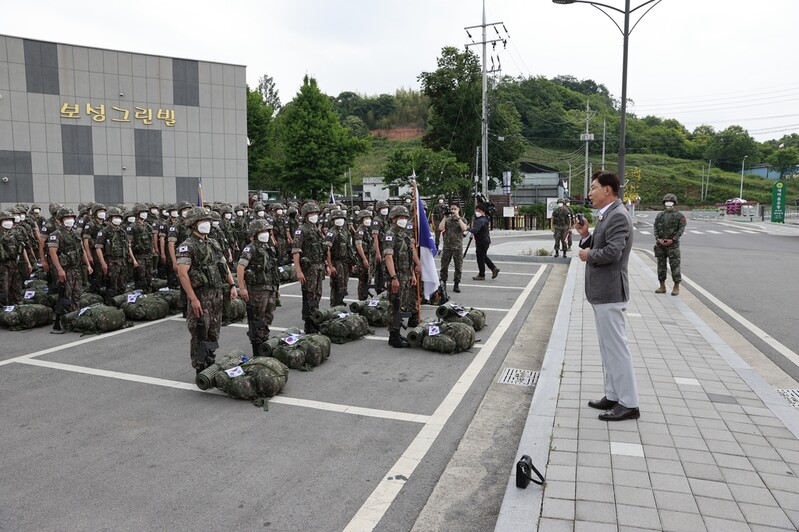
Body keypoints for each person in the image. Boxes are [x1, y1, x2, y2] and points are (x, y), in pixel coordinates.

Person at [574, 170, 639, 422]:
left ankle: (629, 403)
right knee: (607, 348)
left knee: (617, 349)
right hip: (602, 293)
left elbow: (613, 252)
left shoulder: (618, 216)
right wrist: (586, 237)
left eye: (593, 188)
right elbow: (602, 245)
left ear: (607, 191)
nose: (590, 192)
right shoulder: (608, 215)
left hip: (611, 292)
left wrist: (589, 254)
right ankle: (613, 395)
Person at [176, 207, 238, 373]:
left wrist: (232, 285)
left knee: (213, 331)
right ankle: (200, 367)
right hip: (201, 296)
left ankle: (210, 360)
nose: (207, 224)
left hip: (216, 295)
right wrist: (193, 299)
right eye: (203, 221)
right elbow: (182, 274)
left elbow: (223, 265)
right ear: (193, 224)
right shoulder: (187, 246)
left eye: (208, 221)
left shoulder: (213, 243)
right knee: (199, 332)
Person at [237, 219, 281, 346]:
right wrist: (242, 288)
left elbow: (273, 270)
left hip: (270, 287)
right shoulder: (250, 248)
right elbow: (240, 267)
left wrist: (277, 289)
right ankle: (258, 342)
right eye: (262, 231)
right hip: (257, 289)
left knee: (268, 315)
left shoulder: (269, 248)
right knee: (258, 317)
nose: (265, 233)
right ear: (255, 233)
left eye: (266, 231)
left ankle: (264, 338)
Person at [383, 205, 419, 348]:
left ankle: (397, 332)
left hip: (405, 275)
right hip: (396, 275)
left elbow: (409, 257)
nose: (403, 220)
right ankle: (393, 336)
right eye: (401, 217)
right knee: (394, 306)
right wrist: (393, 278)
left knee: (401, 305)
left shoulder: (404, 235)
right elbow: (388, 257)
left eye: (405, 217)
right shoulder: (390, 234)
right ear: (393, 218)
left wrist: (412, 274)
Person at [292, 202, 327, 333]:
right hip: (309, 269)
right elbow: (296, 251)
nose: (314, 216)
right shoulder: (302, 230)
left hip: (318, 267)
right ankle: (309, 324)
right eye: (312, 213)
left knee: (317, 295)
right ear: (306, 215)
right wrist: (298, 270)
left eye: (316, 213)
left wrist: (326, 265)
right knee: (309, 295)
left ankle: (314, 319)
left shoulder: (316, 229)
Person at [654, 193, 687, 296]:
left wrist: (673, 239)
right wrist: (658, 239)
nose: (668, 204)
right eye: (667, 202)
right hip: (660, 245)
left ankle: (676, 286)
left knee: (675, 266)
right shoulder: (660, 215)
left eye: (670, 202)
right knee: (661, 266)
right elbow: (655, 228)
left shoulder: (679, 216)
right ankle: (662, 286)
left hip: (673, 245)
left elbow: (681, 229)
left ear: (674, 203)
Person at [325, 208, 355, 307]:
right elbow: (327, 250)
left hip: (345, 262)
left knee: (344, 284)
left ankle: (340, 302)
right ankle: (334, 305)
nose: (340, 220)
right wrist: (330, 265)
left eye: (341, 218)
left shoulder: (345, 232)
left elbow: (349, 248)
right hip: (336, 262)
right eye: (337, 218)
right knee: (336, 285)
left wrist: (351, 263)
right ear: (333, 220)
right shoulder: (331, 232)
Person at [438, 200, 467, 293]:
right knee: (444, 266)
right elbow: (440, 228)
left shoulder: (462, 220)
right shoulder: (447, 220)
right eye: (451, 209)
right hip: (447, 247)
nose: (453, 211)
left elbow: (464, 228)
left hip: (457, 247)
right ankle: (443, 283)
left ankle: (456, 284)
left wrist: (458, 218)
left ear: (458, 209)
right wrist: (444, 217)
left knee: (458, 267)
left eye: (455, 209)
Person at [469, 204, 499, 281]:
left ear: (483, 212)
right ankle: (493, 268)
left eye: (479, 211)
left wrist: (468, 228)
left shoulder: (481, 220)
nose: (477, 212)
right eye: (476, 210)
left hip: (482, 241)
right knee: (483, 256)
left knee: (480, 258)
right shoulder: (484, 219)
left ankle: (482, 274)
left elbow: (475, 230)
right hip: (485, 241)